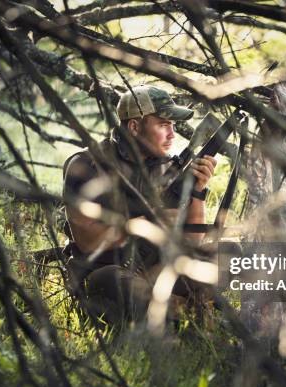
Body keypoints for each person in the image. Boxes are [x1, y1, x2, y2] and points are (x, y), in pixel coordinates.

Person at [62, 85, 217, 324]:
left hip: (159, 270)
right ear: (134, 126)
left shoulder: (167, 167)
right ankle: (184, 312)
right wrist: (147, 223)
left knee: (228, 255)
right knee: (109, 281)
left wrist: (197, 191)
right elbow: (87, 241)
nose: (172, 135)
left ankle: (178, 310)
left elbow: (193, 242)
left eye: (173, 126)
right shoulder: (87, 164)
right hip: (108, 272)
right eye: (164, 125)